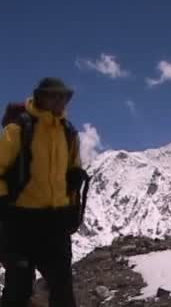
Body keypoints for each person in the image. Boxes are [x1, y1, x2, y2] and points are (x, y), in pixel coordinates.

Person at [0, 77, 84, 307]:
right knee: (18, 287)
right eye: (54, 95)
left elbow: (73, 175)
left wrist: (72, 208)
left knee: (63, 288)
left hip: (55, 223)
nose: (60, 101)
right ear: (41, 97)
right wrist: (4, 200)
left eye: (64, 97)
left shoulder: (69, 134)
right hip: (20, 222)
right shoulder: (18, 130)